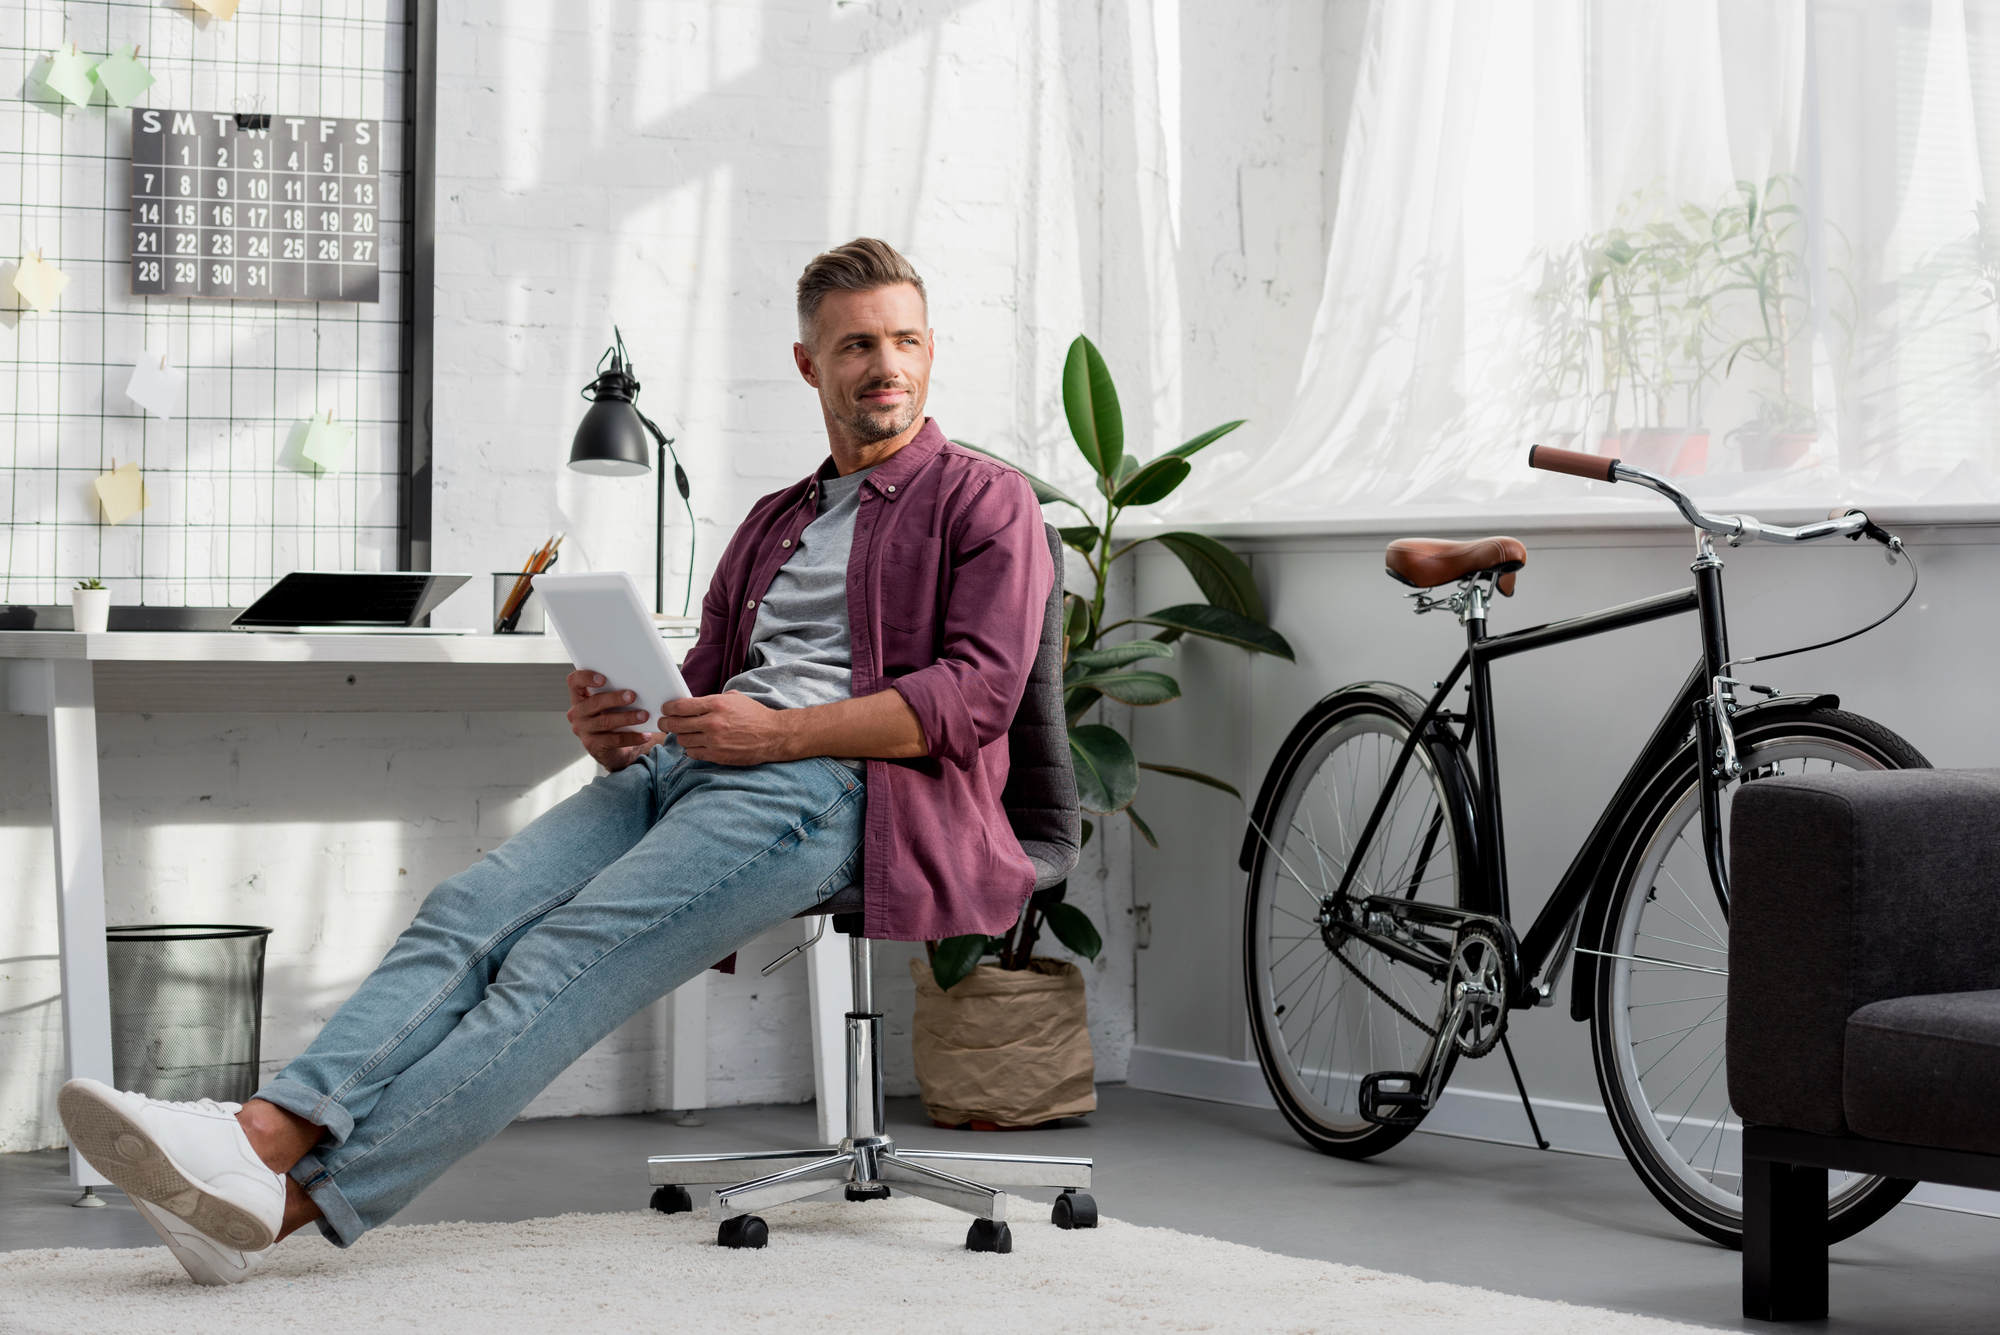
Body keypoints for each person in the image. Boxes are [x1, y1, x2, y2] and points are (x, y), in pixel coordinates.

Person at [57, 237, 1053, 1285]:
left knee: (557, 962)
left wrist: (781, 735)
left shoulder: (982, 501)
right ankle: (259, 1150)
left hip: (834, 789)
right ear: (809, 365)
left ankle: (282, 1193)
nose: (883, 365)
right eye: (855, 345)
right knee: (467, 909)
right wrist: (623, 724)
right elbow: (707, 680)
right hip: (696, 769)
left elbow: (975, 699)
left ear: (930, 350)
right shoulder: (774, 523)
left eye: (902, 340)